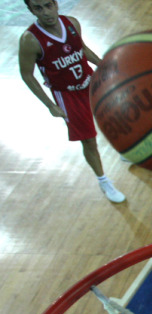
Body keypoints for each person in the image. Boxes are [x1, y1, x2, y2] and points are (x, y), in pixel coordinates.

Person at [19, 0, 125, 203]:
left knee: (115, 118)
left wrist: (102, 65)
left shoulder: (72, 23)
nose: (46, 12)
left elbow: (81, 49)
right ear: (31, 10)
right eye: (38, 8)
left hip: (90, 82)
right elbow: (27, 75)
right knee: (89, 140)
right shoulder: (30, 40)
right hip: (67, 95)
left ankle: (124, 150)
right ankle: (103, 181)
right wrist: (50, 104)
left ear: (56, 3)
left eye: (48, 5)